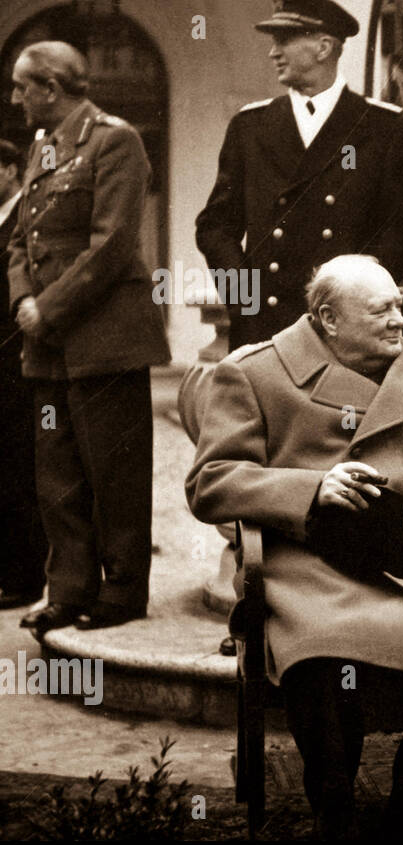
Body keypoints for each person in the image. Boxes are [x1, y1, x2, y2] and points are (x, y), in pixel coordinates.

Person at [187, 255, 403, 839]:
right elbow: (211, 482)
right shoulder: (257, 373)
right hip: (311, 563)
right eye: (382, 310)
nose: (399, 321)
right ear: (328, 318)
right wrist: (310, 488)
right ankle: (335, 813)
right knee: (327, 658)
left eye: (400, 304)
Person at [8, 41, 169, 633]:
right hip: (49, 348)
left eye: (23, 86)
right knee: (57, 475)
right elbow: (24, 240)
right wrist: (25, 299)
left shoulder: (114, 139)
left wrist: (46, 308)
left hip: (107, 341)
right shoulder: (42, 147)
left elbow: (113, 246)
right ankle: (68, 588)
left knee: (114, 472)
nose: (15, 97)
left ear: (51, 87)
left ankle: (123, 590)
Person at [196, 0, 403, 350]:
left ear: (324, 47)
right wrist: (243, 300)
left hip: (346, 330)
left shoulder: (382, 126)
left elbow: (398, 229)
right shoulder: (250, 126)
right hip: (265, 329)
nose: (273, 53)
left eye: (284, 40)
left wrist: (360, 299)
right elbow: (215, 226)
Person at [0, 139, 46, 610]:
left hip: (19, 363)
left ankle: (23, 577)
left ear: (12, 171)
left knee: (20, 468)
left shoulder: (25, 216)